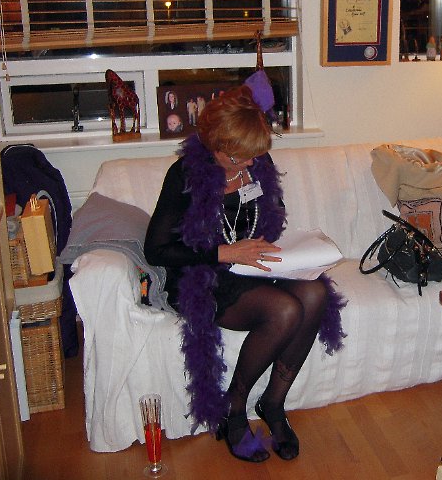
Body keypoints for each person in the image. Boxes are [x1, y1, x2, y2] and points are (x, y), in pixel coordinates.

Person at [144, 86, 346, 463]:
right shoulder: (184, 176)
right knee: (284, 310)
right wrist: (223, 252)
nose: (251, 163)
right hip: (203, 275)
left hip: (252, 266)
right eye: (239, 156)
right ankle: (234, 409)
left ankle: (273, 403)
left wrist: (275, 246)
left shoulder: (256, 163)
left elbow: (271, 212)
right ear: (214, 146)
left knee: (315, 293)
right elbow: (156, 249)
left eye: (255, 155)